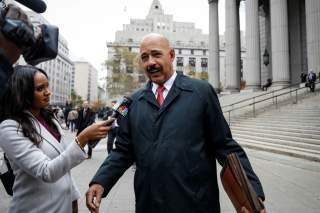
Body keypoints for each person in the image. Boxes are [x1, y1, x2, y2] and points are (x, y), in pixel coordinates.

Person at [86, 33, 266, 213]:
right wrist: (101, 180)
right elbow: (123, 151)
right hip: (149, 205)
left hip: (196, 204)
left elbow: (225, 146)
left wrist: (252, 194)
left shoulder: (201, 92)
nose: (150, 62)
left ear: (171, 55)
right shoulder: (131, 103)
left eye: (156, 54)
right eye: (144, 57)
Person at [0, 65, 112, 212]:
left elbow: (64, 166)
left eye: (47, 86)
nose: (48, 92)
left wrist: (73, 198)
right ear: (23, 93)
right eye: (40, 89)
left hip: (62, 206)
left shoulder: (49, 118)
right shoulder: (9, 127)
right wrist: (82, 138)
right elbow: (46, 171)